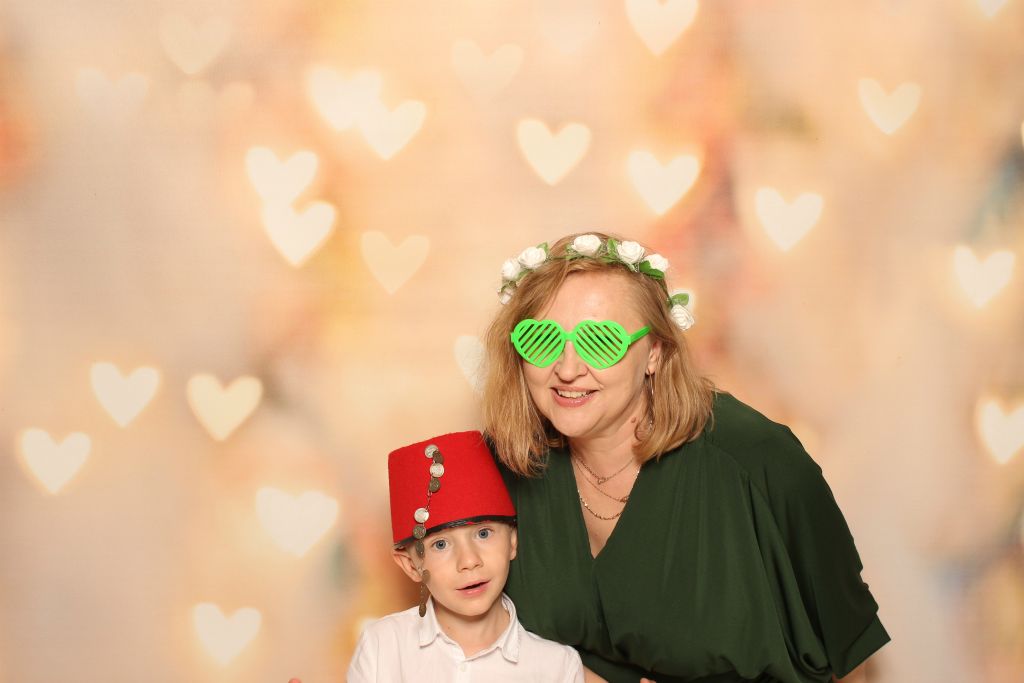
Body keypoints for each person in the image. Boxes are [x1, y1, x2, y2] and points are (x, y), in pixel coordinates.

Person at [481, 232, 891, 683]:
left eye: (600, 342)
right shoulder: (501, 468)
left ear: (654, 353)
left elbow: (851, 657)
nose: (567, 368)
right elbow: (478, 641)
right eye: (541, 340)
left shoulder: (759, 461)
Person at [345, 429, 585, 682]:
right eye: (440, 545)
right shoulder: (382, 647)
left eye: (483, 533)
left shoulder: (557, 667)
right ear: (411, 565)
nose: (469, 561)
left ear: (512, 541)